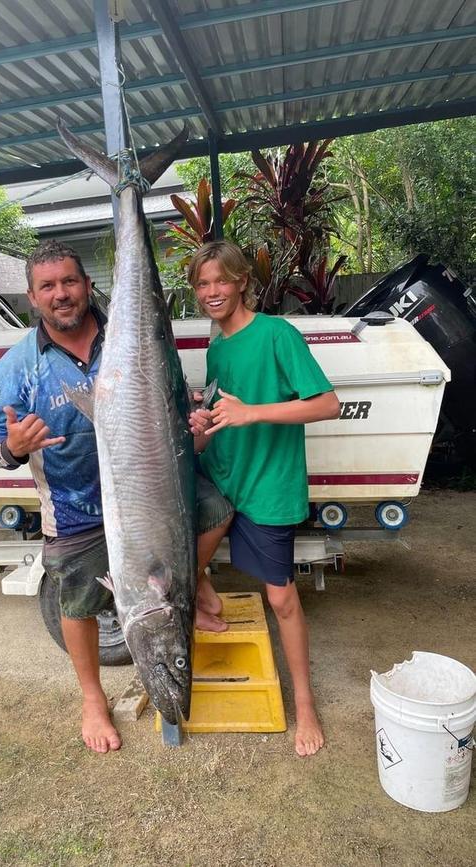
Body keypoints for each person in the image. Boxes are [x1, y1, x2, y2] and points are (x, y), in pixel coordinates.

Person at [0, 240, 232, 754]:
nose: (61, 294)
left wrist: (192, 420)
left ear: (88, 285)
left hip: (151, 495)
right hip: (73, 503)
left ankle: (196, 580)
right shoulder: (17, 365)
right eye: (48, 287)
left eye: (69, 282)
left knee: (214, 510)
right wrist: (13, 447)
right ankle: (92, 699)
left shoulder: (131, 336)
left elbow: (172, 404)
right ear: (32, 298)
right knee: (76, 602)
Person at [187, 240, 341, 757]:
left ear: (241, 282)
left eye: (221, 281)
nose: (212, 292)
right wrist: (202, 426)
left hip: (268, 485)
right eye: (203, 284)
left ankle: (307, 705)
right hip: (219, 478)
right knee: (177, 569)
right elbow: (218, 418)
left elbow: (328, 405)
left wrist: (255, 411)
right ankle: (203, 596)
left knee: (280, 598)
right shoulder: (217, 348)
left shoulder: (277, 333)